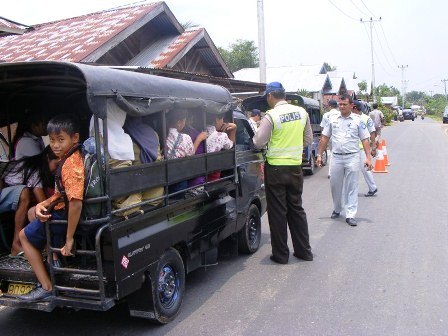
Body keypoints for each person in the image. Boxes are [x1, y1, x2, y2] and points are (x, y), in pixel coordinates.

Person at [18, 114, 84, 302]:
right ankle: (53, 259)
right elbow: (62, 193)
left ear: (75, 138)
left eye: (61, 140)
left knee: (24, 236)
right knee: (34, 213)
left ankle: (46, 287)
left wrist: (69, 239)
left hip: (64, 216)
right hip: (61, 210)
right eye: (52, 140)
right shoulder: (70, 157)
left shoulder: (70, 164)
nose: (55, 145)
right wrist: (44, 203)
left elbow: (76, 202)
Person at [253, 81, 313, 264]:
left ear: (271, 96)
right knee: (296, 209)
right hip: (295, 168)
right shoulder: (302, 112)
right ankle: (304, 252)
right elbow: (308, 139)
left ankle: (281, 255)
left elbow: (258, 142)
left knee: (278, 212)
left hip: (276, 169)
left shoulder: (271, 116)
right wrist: (292, 150)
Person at [316, 94, 373, 227]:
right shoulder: (332, 119)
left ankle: (351, 214)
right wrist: (319, 154)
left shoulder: (358, 120)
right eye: (340, 104)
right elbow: (324, 137)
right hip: (336, 157)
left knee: (351, 186)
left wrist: (368, 158)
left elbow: (365, 139)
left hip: (352, 156)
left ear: (351, 105)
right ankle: (337, 209)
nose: (341, 107)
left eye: (344, 104)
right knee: (335, 185)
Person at [3, 146, 59, 222]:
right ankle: (17, 233)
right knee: (25, 194)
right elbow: (42, 201)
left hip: (12, 191)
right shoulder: (35, 170)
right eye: (57, 165)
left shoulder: (40, 167)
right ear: (48, 158)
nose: (58, 169)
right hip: (6, 189)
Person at [166, 109, 207, 195]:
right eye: (184, 121)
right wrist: (199, 139)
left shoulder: (161, 135)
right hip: (179, 182)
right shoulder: (185, 137)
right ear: (179, 122)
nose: (184, 124)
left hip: (165, 182)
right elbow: (191, 153)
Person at [352, 101, 378, 197]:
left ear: (354, 107)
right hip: (352, 149)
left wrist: (373, 147)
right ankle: (352, 190)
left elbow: (372, 133)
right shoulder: (349, 118)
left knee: (365, 168)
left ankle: (373, 188)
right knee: (352, 170)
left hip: (362, 149)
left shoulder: (366, 119)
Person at [205, 113, 236, 182]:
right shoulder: (221, 136)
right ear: (216, 120)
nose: (223, 122)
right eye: (222, 119)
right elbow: (230, 145)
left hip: (197, 177)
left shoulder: (199, 131)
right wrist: (234, 128)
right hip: (212, 176)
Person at [320, 99, 339, 179]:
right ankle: (335, 172)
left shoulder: (326, 115)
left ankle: (331, 172)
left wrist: (322, 138)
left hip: (328, 136)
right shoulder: (340, 113)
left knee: (331, 153)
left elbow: (322, 127)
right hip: (338, 136)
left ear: (330, 106)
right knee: (337, 154)